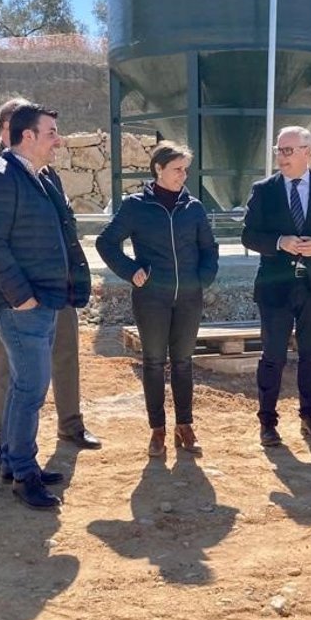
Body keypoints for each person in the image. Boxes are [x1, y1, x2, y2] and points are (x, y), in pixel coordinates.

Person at [0, 99, 101, 475]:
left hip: (53, 290)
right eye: (51, 133)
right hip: (17, 296)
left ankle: (54, 435)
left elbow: (62, 228)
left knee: (51, 363)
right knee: (19, 377)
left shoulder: (44, 173)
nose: (58, 141)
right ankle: (7, 448)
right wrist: (20, 294)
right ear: (18, 132)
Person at [96, 142, 219, 456]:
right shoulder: (135, 206)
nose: (183, 175)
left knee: (183, 363)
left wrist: (202, 280)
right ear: (158, 169)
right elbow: (106, 242)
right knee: (153, 363)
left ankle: (185, 426)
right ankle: (157, 430)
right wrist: (130, 270)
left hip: (189, 299)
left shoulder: (194, 208)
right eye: (177, 169)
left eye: (185, 169)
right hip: (151, 299)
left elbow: (209, 248)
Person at [241, 126, 311, 446]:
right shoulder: (264, 190)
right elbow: (249, 235)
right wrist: (279, 242)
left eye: (288, 150)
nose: (282, 157)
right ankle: (267, 422)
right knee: (273, 355)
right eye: (279, 150)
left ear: (307, 151)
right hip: (275, 287)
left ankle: (309, 416)